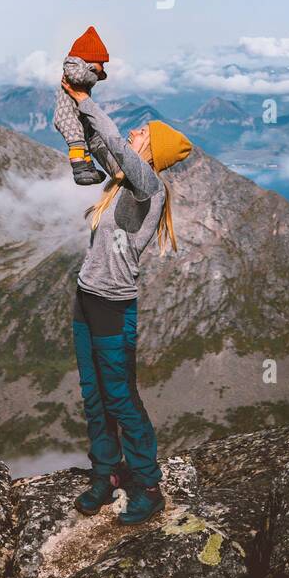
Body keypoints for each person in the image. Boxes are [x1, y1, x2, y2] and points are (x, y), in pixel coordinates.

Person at [61, 75, 192, 525]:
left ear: (151, 150)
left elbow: (113, 139)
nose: (133, 132)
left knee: (120, 398)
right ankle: (107, 474)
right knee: (94, 395)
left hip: (115, 305)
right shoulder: (121, 180)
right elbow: (98, 140)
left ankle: (148, 485)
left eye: (142, 133)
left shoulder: (147, 187)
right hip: (86, 299)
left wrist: (86, 98)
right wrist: (74, 100)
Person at [52, 26, 110, 185]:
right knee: (76, 139)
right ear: (89, 59)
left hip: (77, 113)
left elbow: (89, 76)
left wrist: (95, 71)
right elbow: (80, 77)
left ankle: (89, 168)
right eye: (102, 63)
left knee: (83, 138)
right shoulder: (72, 64)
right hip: (67, 115)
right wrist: (94, 70)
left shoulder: (82, 69)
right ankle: (79, 170)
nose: (102, 68)